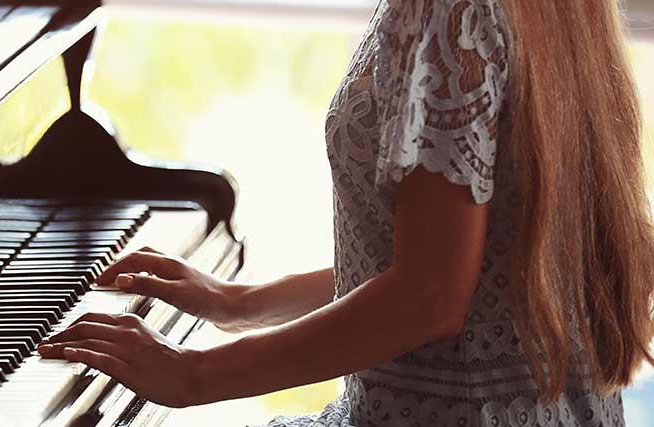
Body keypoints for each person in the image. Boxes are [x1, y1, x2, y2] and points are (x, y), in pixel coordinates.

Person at [38, 0, 654, 425]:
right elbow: (466, 261)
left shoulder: (447, 13)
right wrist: (244, 303)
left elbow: (428, 298)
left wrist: (194, 375)